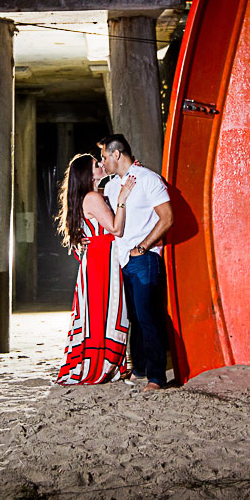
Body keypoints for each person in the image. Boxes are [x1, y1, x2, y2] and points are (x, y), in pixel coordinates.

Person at [98, 134, 174, 392]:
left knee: (148, 316)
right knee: (134, 318)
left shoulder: (149, 179)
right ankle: (140, 369)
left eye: (104, 156)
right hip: (121, 261)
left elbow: (167, 218)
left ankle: (156, 377)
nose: (103, 161)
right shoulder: (110, 186)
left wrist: (143, 247)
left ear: (116, 154)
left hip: (145, 259)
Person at [56, 153, 137, 385]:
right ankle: (104, 363)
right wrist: (122, 199)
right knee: (107, 309)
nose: (101, 165)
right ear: (88, 174)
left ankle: (108, 363)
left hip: (98, 258)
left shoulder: (93, 195)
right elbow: (115, 228)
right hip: (103, 259)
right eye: (96, 164)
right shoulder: (92, 197)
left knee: (102, 311)